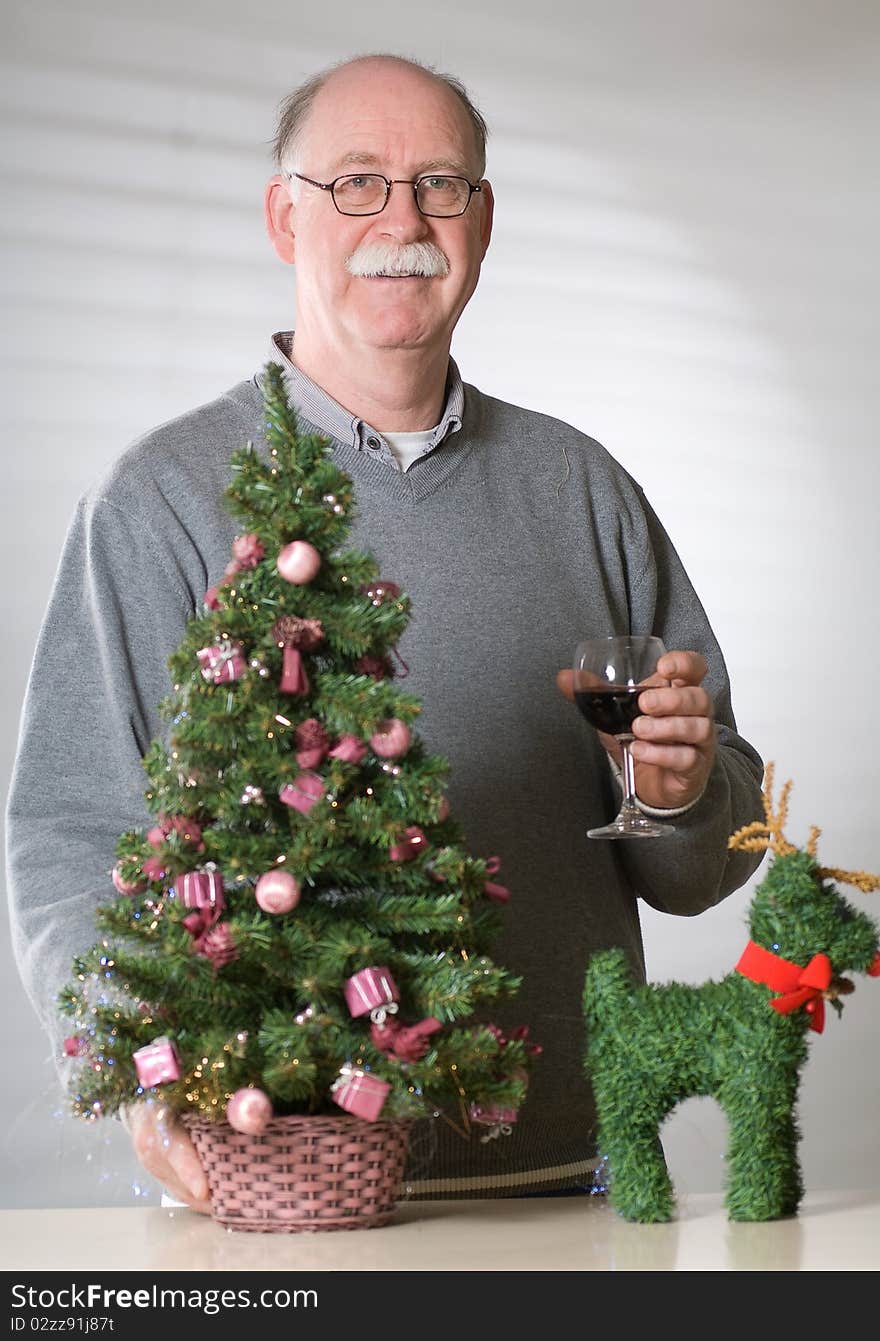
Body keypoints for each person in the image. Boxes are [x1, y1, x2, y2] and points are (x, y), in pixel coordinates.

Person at [5, 52, 765, 1211]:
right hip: (273, 1185)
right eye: (356, 183)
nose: (402, 220)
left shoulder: (581, 487)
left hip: (565, 1181)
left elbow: (705, 855)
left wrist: (677, 792)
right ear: (283, 216)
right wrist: (152, 1073)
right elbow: (68, 829)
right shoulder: (159, 498)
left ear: (483, 219)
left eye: (438, 184)